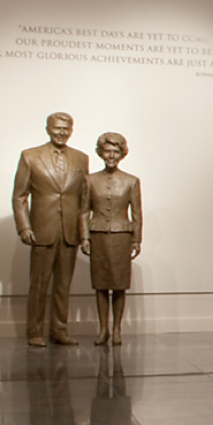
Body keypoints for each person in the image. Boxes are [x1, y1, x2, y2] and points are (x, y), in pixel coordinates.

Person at [12, 112, 89, 346]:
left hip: (69, 231)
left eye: (66, 128)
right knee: (39, 284)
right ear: (48, 128)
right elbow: (19, 197)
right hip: (41, 230)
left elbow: (84, 198)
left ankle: (59, 329)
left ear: (72, 130)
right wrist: (24, 226)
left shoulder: (81, 158)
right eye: (57, 128)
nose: (62, 132)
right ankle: (34, 331)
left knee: (63, 284)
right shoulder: (30, 156)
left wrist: (84, 232)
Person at [81, 132, 143, 347]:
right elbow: (83, 212)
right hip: (97, 235)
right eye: (107, 151)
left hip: (121, 237)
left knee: (119, 285)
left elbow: (137, 213)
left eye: (115, 151)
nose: (111, 155)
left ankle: (117, 329)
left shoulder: (131, 181)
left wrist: (137, 240)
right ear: (100, 153)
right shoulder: (89, 180)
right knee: (100, 285)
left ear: (122, 154)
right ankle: (103, 329)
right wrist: (84, 237)